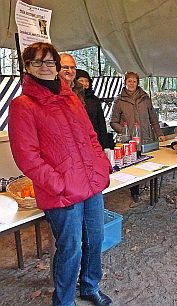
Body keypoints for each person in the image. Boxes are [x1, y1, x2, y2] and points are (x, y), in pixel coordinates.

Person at [8, 42, 112, 306]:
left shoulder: (71, 99)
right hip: (62, 193)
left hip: (90, 185)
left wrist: (101, 166)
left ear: (56, 66)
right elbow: (27, 157)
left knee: (95, 240)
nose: (45, 67)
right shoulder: (23, 105)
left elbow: (91, 136)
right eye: (37, 62)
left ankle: (90, 286)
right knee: (70, 249)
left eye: (49, 62)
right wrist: (59, 183)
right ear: (27, 67)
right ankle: (64, 300)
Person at [110, 72, 165, 202]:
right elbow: (113, 121)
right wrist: (124, 131)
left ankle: (151, 189)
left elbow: (153, 119)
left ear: (137, 83)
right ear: (125, 82)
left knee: (149, 164)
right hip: (129, 141)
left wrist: (160, 134)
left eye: (134, 81)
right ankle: (135, 191)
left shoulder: (145, 98)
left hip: (146, 137)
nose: (132, 83)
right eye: (129, 81)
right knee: (133, 166)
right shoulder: (119, 101)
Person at [75, 69, 110, 149]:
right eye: (81, 81)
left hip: (95, 138)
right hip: (79, 139)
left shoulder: (94, 100)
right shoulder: (72, 99)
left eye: (86, 81)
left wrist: (104, 144)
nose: (84, 83)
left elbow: (101, 122)